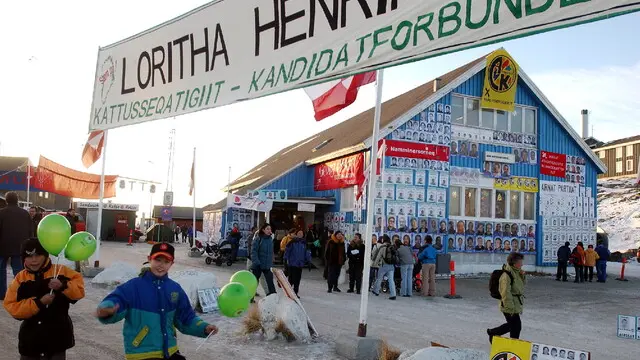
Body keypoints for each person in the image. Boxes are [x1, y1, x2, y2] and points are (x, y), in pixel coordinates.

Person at [96, 243, 218, 359]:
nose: (161, 265)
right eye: (157, 260)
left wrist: (203, 327)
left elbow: (186, 318)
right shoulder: (133, 286)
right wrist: (107, 309)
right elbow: (116, 300)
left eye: (166, 262)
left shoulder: (175, 289)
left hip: (170, 351)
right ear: (149, 259)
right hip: (141, 353)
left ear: (172, 263)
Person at [4, 238, 85, 360]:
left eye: (38, 255)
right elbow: (13, 307)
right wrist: (39, 303)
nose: (34, 260)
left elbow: (79, 292)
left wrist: (63, 286)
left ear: (45, 255)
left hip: (57, 338)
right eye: (29, 256)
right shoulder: (20, 279)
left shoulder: (61, 272)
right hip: (30, 341)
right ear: (23, 258)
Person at [487, 252, 526, 343]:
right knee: (516, 326)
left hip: (515, 303)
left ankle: (493, 332)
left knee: (513, 325)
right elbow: (505, 293)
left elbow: (520, 286)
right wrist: (510, 308)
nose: (522, 264)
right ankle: (512, 344)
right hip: (508, 304)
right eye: (520, 262)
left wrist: (522, 275)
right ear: (514, 263)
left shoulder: (516, 272)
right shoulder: (506, 275)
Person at [0, 191, 32, 300]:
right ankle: (21, 293)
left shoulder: (1, 213)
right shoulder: (25, 213)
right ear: (17, 200)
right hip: (19, 247)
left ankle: (1, 294)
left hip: (2, 246)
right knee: (19, 271)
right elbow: (30, 231)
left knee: (1, 270)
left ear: (6, 200)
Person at [251, 224, 277, 296]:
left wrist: (272, 259)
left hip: (267, 265)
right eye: (267, 229)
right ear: (263, 230)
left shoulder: (270, 239)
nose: (269, 231)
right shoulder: (258, 238)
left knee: (270, 282)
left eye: (270, 229)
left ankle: (273, 297)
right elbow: (253, 251)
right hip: (258, 264)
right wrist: (256, 262)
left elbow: (271, 251)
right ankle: (250, 297)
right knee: (254, 282)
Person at [284, 229, 311, 298]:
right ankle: (288, 292)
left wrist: (309, 261)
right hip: (292, 263)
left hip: (300, 264)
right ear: (296, 234)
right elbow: (287, 251)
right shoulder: (292, 242)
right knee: (291, 279)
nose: (300, 234)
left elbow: (307, 253)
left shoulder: (304, 243)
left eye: (301, 233)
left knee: (297, 279)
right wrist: (285, 259)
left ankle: (295, 292)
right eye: (299, 233)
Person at [371, 235, 397, 300]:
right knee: (391, 280)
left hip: (384, 265)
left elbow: (378, 256)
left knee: (379, 278)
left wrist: (374, 264)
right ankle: (393, 294)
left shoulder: (383, 247)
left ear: (383, 240)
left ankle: (376, 291)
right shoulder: (392, 247)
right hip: (391, 266)